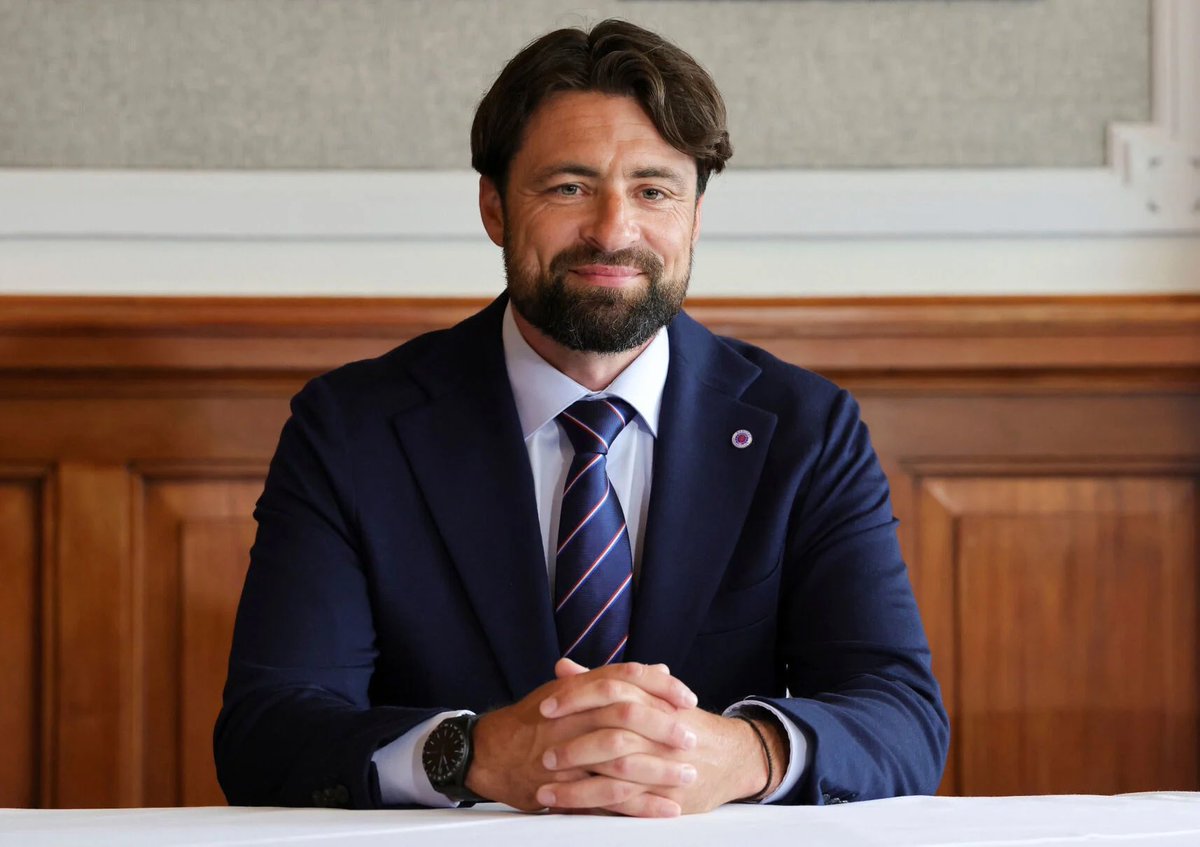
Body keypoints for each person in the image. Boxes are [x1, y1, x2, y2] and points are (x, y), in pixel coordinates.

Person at [214, 19, 949, 818]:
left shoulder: (806, 429)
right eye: (568, 186)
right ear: (495, 207)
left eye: (654, 190)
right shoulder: (350, 430)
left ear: (695, 216)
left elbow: (902, 713)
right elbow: (268, 730)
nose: (612, 230)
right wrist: (472, 751)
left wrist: (742, 752)